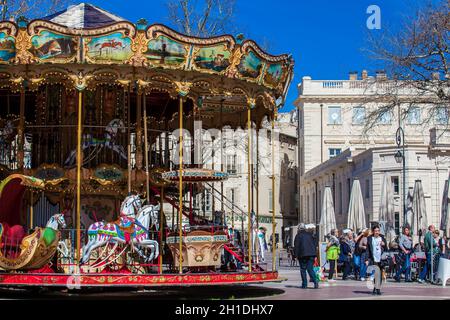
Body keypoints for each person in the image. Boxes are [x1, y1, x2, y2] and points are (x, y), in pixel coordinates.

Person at [294, 224, 319, 289]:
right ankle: (315, 281)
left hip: (302, 255)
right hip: (311, 254)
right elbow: (315, 244)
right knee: (310, 269)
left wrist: (295, 256)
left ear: (299, 229)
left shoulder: (298, 235)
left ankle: (304, 285)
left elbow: (296, 246)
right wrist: (315, 254)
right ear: (305, 228)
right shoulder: (310, 234)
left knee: (303, 269)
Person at [367, 224, 387, 295]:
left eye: (378, 231)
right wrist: (366, 259)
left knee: (380, 274)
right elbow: (368, 249)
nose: (377, 232)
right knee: (376, 273)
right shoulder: (369, 238)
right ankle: (375, 288)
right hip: (374, 258)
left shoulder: (382, 238)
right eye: (375, 231)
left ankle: (377, 289)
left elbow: (386, 248)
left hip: (381, 258)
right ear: (373, 231)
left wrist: (384, 244)